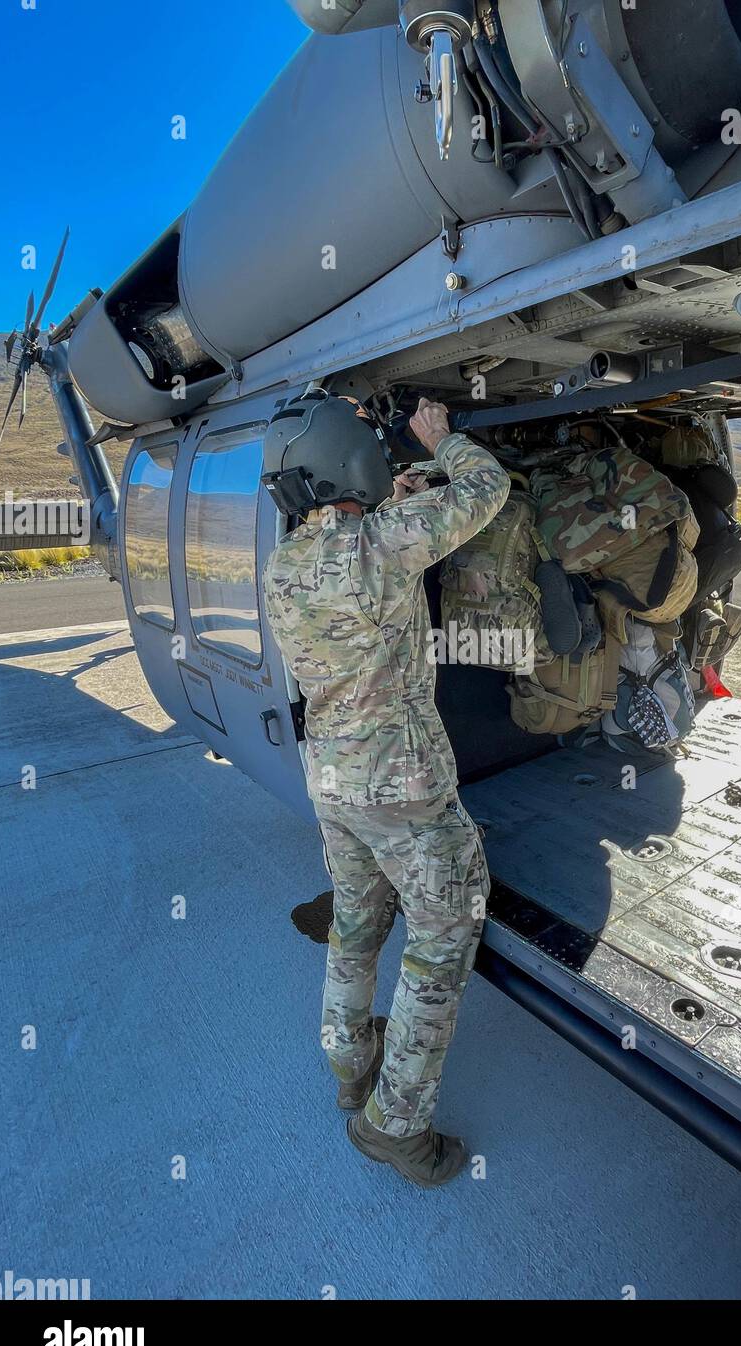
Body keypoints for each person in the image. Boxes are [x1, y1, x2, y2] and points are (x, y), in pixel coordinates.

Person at [262, 394, 510, 1187]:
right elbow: (486, 491)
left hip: (331, 781)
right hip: (403, 788)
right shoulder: (380, 547)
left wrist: (392, 501)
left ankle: (347, 1062)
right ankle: (394, 1126)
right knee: (439, 948)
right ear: (353, 468)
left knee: (357, 925)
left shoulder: (286, 564)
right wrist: (444, 442)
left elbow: (359, 546)